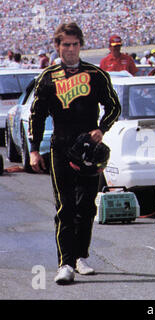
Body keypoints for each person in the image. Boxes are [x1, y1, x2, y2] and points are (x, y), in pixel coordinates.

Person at [28, 22, 121, 285]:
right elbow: (36, 115)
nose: (70, 49)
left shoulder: (96, 74)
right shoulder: (48, 76)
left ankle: (81, 256)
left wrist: (101, 129)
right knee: (65, 207)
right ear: (57, 46)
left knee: (86, 206)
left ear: (81, 45)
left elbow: (114, 107)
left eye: (75, 44)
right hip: (60, 147)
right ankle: (65, 263)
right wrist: (34, 150)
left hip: (89, 149)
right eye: (65, 45)